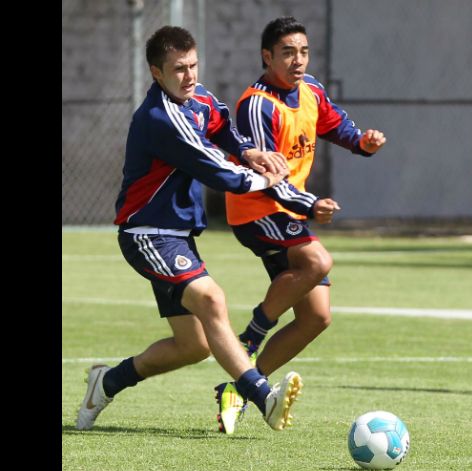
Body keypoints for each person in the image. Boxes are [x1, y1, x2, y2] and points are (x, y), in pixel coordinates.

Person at [75, 25, 322, 435]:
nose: (189, 76)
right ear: (157, 73)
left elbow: (221, 123)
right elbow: (219, 171)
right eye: (178, 69)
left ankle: (108, 381)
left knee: (193, 346)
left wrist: (249, 150)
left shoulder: (198, 96)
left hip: (176, 235)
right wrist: (268, 179)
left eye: (193, 65)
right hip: (147, 233)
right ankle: (263, 398)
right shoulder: (161, 118)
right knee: (211, 299)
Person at [215, 16, 386, 431]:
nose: (298, 60)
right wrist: (310, 205)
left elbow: (336, 124)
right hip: (255, 209)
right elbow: (270, 178)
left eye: (304, 51)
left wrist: (361, 142)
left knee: (316, 318)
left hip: (289, 212)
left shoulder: (310, 92)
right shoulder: (257, 105)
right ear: (267, 56)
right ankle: (251, 338)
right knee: (318, 263)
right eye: (288, 52)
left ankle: (239, 386)